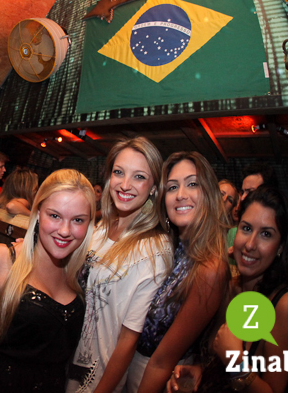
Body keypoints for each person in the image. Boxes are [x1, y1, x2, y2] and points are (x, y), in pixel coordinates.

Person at [167, 186, 288, 393]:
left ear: (281, 247)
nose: (250, 244)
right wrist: (199, 371)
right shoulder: (231, 286)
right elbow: (217, 361)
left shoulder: (284, 305)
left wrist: (236, 362)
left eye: (266, 234)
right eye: (246, 229)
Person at [66, 137, 174, 393]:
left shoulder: (154, 250)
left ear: (154, 188)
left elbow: (128, 340)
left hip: (99, 376)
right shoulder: (101, 228)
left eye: (139, 177)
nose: (125, 185)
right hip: (67, 358)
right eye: (118, 172)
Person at [0, 169, 97, 392]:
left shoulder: (82, 275)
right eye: (54, 216)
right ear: (38, 213)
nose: (65, 231)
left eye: (78, 220)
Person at [132, 152, 230, 393]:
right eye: (173, 187)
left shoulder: (209, 269)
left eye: (192, 184)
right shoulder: (169, 247)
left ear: (208, 194)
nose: (181, 194)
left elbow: (162, 361)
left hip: (153, 378)